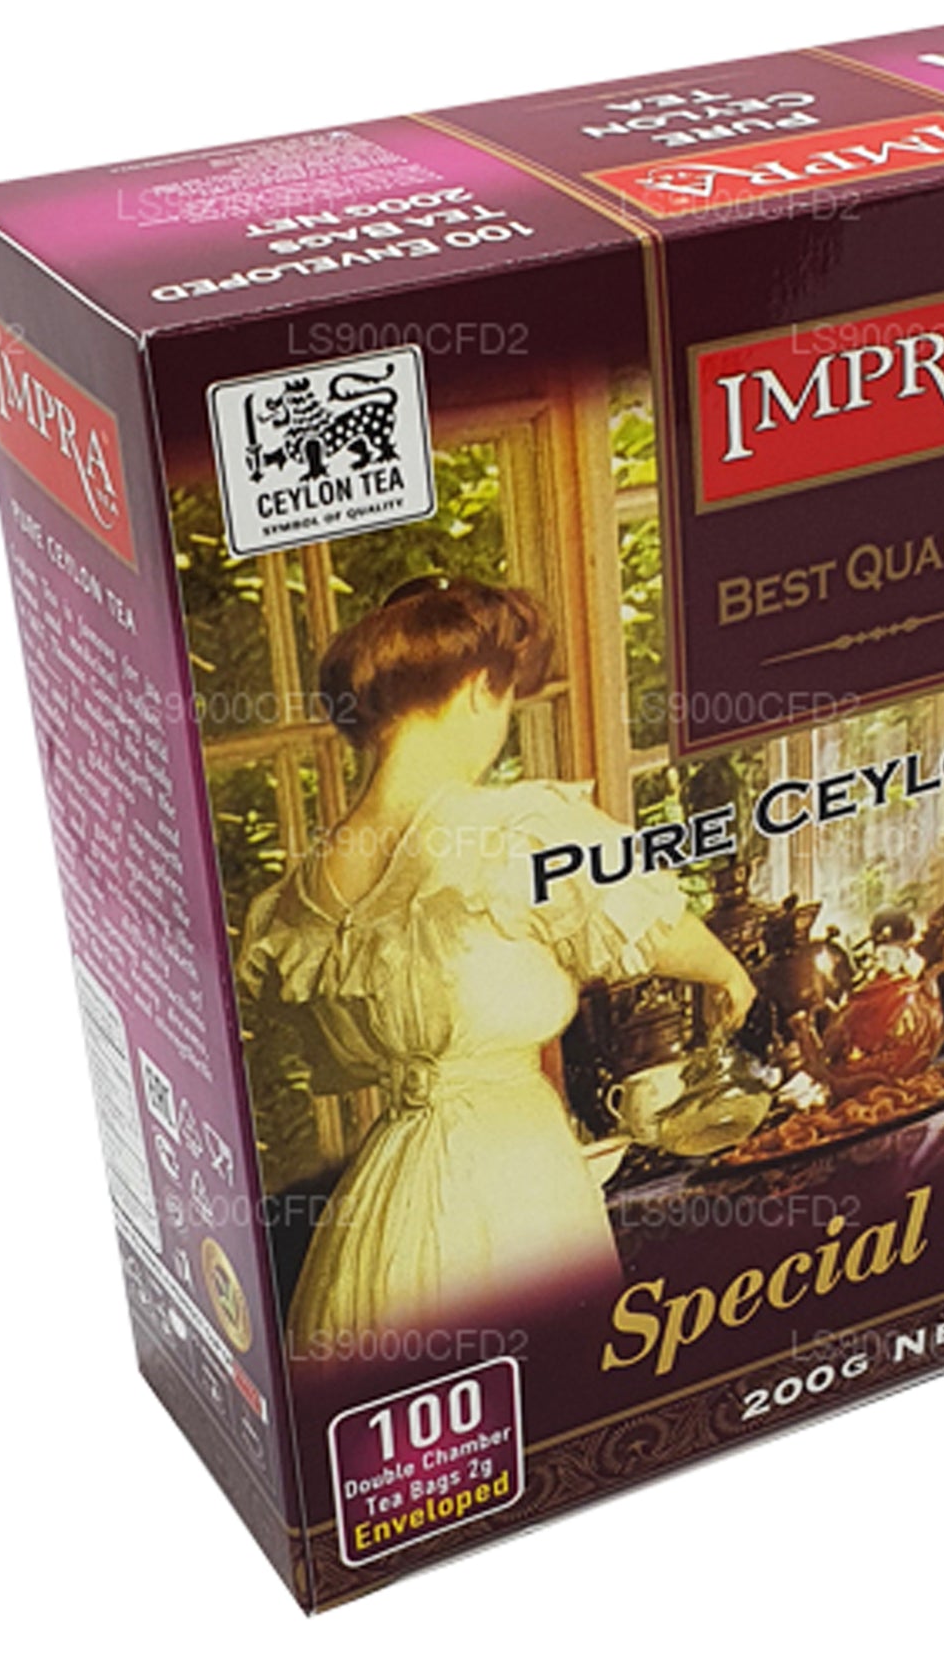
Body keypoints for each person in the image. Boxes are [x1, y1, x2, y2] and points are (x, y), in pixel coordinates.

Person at [237, 574, 756, 1358]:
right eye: (508, 696)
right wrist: (726, 973)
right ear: (482, 687)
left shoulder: (299, 895)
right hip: (512, 1180)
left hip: (385, 1197)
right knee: (548, 1378)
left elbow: (333, 1054)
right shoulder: (508, 830)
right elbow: (654, 926)